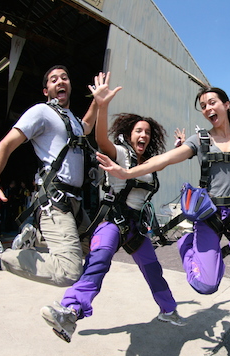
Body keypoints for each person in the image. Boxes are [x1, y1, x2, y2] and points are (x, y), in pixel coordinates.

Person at [99, 63, 230, 295]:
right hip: (209, 214)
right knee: (206, 286)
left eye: (212, 103)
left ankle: (225, 254)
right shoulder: (199, 140)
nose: (207, 109)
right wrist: (127, 173)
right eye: (203, 106)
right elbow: (165, 159)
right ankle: (186, 246)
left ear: (226, 105)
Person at [41, 72, 185, 342]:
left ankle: (169, 309)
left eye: (147, 132)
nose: (143, 135)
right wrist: (102, 105)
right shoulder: (120, 152)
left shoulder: (150, 164)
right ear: (129, 135)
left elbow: (167, 161)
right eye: (138, 131)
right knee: (99, 259)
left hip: (136, 228)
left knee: (153, 269)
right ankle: (70, 311)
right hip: (112, 222)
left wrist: (178, 147)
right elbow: (102, 141)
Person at [0, 65, 97, 288]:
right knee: (68, 271)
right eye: (53, 79)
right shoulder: (41, 112)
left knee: (100, 249)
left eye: (64, 78)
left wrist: (98, 100)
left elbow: (86, 127)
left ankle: (35, 235)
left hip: (75, 205)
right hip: (55, 203)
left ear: (70, 86)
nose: (60, 81)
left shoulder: (72, 120)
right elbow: (6, 144)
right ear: (46, 91)